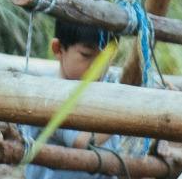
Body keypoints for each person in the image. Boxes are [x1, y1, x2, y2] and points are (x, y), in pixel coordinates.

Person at [18, 19, 122, 179]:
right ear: (58, 49)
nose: (98, 67)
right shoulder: (47, 95)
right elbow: (84, 142)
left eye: (106, 57)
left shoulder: (110, 87)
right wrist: (124, 113)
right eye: (86, 55)